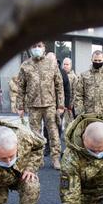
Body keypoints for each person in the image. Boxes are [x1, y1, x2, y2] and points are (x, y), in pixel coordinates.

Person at [16, 42, 65, 170]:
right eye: (34, 46)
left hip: (50, 105)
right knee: (35, 135)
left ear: (44, 48)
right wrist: (20, 106)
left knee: (53, 133)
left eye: (39, 46)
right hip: (33, 106)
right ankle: (38, 160)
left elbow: (59, 86)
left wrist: (61, 105)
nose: (37, 49)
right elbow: (20, 87)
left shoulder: (51, 64)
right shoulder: (25, 66)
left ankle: (55, 159)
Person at [73, 50, 103, 120]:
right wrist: (80, 113)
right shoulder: (84, 75)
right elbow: (78, 95)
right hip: (88, 115)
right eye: (95, 60)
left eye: (99, 60)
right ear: (91, 59)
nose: (97, 62)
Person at [62, 57, 77, 128]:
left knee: (68, 124)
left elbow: (75, 92)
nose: (65, 66)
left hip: (68, 106)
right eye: (64, 64)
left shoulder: (74, 77)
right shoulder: (59, 75)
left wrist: (70, 104)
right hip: (60, 104)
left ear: (70, 66)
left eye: (67, 64)